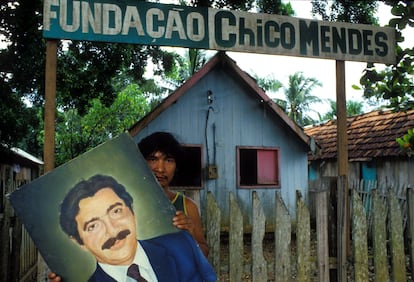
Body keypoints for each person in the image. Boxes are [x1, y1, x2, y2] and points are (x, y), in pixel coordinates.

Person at [51, 174, 216, 282]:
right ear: (79, 242)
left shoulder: (181, 246)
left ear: (132, 212)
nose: (112, 230)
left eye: (116, 211)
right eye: (93, 226)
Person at [138, 132, 209, 257]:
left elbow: (204, 253)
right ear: (141, 162)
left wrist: (190, 236)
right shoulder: (124, 205)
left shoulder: (187, 206)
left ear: (176, 166)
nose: (160, 168)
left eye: (168, 160)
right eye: (153, 159)